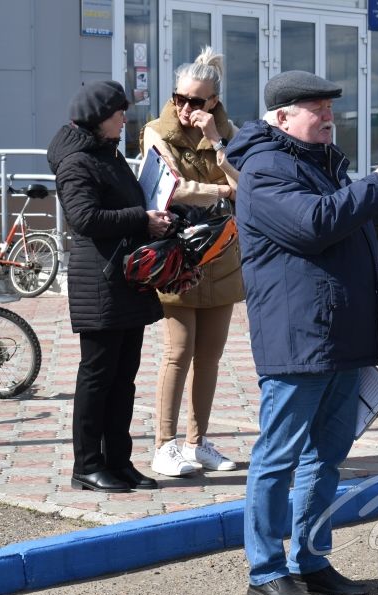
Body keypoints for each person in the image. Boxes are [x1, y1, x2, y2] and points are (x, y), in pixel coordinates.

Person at [226, 70, 378, 595]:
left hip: (338, 333)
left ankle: (309, 560)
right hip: (298, 338)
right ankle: (265, 569)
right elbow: (312, 225)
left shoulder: (321, 161)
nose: (329, 115)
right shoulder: (265, 168)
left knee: (326, 456)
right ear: (282, 117)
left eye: (330, 106)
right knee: (279, 456)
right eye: (317, 107)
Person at [47, 80, 172, 493]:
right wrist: (142, 218)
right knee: (97, 377)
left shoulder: (108, 154)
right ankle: (87, 465)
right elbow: (84, 218)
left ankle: (119, 462)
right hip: (99, 281)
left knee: (124, 377)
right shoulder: (76, 162)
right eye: (119, 112)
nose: (124, 117)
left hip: (125, 278)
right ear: (99, 118)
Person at [140, 47, 244, 477]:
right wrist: (220, 192)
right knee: (178, 353)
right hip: (178, 256)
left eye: (196, 101)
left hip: (221, 253)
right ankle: (164, 445)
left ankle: (197, 442)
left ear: (213, 103)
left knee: (210, 357)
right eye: (179, 97)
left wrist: (218, 143)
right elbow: (172, 188)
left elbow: (247, 182)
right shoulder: (155, 131)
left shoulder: (229, 133)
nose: (185, 108)